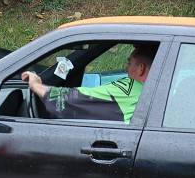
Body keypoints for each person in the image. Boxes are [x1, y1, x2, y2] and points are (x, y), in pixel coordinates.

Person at [22, 43, 156, 123]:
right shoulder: (160, 89)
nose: (126, 68)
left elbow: (74, 99)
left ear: (141, 69)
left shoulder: (131, 89)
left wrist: (36, 85)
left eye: (129, 63)